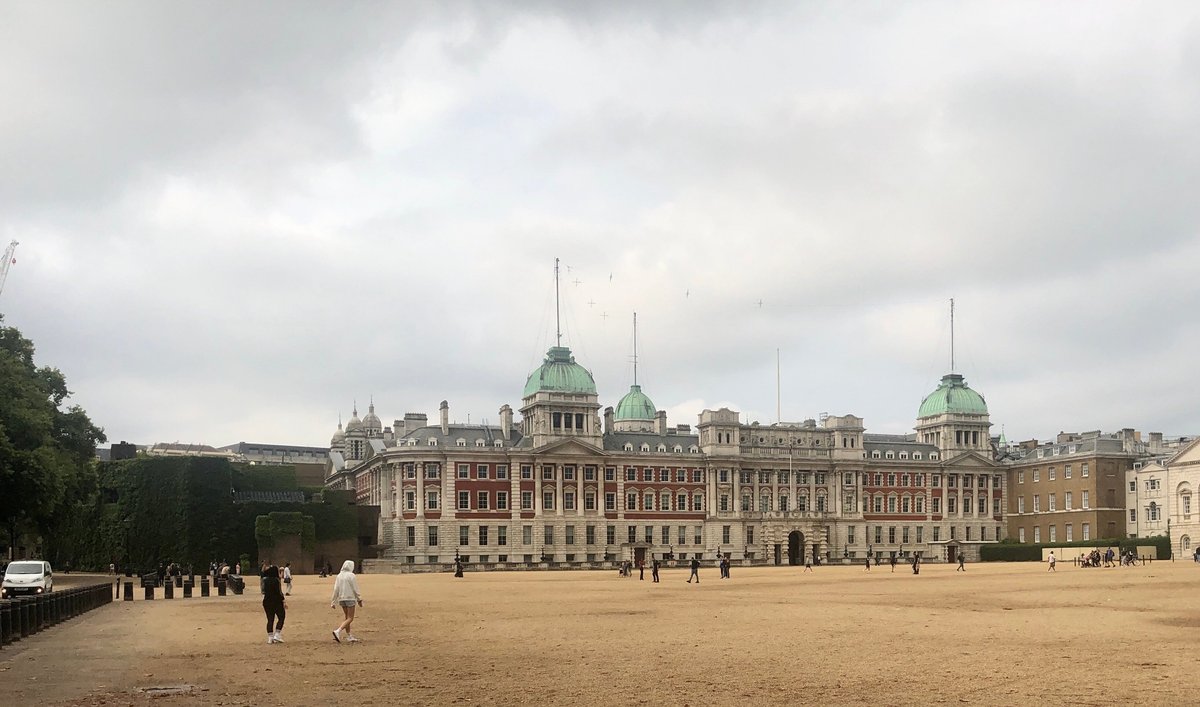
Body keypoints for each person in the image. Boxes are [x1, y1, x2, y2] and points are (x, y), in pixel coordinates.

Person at [330, 560, 363, 643]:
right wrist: (359, 599)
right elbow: (355, 588)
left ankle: (349, 635)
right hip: (350, 598)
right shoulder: (351, 576)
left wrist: (333, 601)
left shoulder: (339, 576)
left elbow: (336, 589)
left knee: (347, 617)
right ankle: (338, 631)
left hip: (341, 599)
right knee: (350, 618)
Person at [262, 563, 287, 644]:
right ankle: (277, 634)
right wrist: (283, 600)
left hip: (267, 601)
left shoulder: (265, 580)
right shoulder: (276, 580)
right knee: (281, 617)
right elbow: (279, 592)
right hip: (276, 601)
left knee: (270, 619)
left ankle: (270, 637)